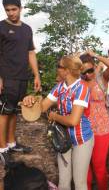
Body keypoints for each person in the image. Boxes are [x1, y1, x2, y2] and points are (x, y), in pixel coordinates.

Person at [23, 55, 94, 190]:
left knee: (79, 183)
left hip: (81, 139)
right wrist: (30, 99)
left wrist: (54, 116)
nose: (57, 69)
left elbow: (73, 121)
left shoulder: (82, 88)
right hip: (63, 139)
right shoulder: (60, 87)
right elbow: (42, 107)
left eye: (59, 66)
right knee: (63, 181)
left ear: (66, 70)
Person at [0, 0, 41, 165]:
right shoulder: (1, 27)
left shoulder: (27, 29)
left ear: (20, 8)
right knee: (3, 112)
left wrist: (36, 75)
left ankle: (11, 143)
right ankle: (2, 149)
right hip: (7, 77)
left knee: (14, 111)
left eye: (14, 9)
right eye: (7, 10)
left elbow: (30, 52)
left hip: (22, 77)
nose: (10, 13)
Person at [79, 52, 109, 190]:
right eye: (84, 72)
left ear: (94, 67)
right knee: (84, 167)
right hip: (83, 130)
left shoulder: (102, 79)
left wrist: (94, 54)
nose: (88, 74)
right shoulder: (79, 82)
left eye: (90, 70)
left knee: (99, 165)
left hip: (102, 129)